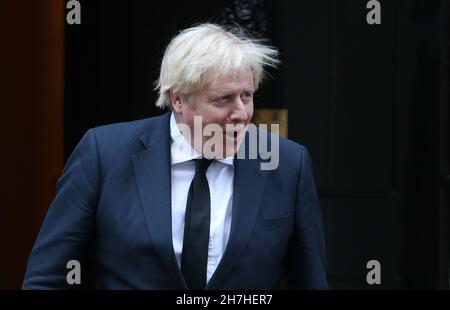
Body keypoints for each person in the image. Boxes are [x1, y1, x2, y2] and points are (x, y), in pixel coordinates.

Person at [22, 23, 328, 289]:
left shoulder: (286, 162)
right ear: (178, 99)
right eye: (224, 99)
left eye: (246, 96)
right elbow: (48, 277)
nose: (242, 113)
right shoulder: (104, 153)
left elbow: (309, 279)